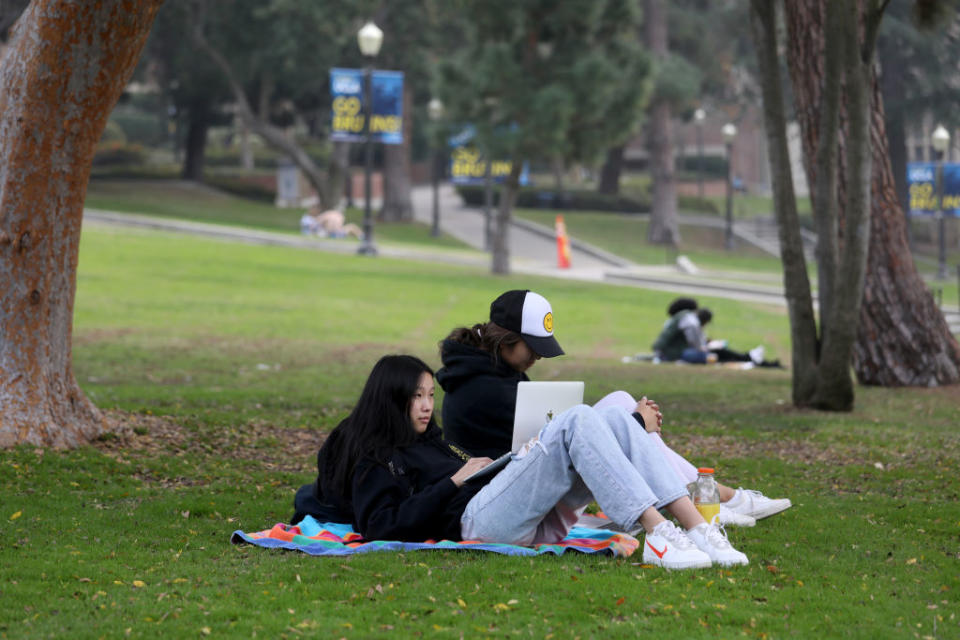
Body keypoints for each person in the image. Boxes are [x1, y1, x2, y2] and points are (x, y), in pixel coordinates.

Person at [311, 354, 749, 569]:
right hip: (475, 523)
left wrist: (500, 466)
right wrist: (455, 483)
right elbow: (380, 526)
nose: (427, 406)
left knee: (615, 416)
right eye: (416, 396)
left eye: (430, 395)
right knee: (577, 420)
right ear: (392, 398)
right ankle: (658, 535)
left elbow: (470, 477)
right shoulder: (377, 460)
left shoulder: (433, 442)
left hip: (516, 516)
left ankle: (697, 529)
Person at [437, 290, 791, 525]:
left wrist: (630, 421)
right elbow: (560, 445)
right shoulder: (485, 388)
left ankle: (708, 494)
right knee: (623, 412)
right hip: (508, 494)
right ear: (505, 339)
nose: (536, 358)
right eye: (532, 348)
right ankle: (712, 496)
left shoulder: (493, 373)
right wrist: (635, 423)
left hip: (525, 478)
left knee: (620, 400)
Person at [653, 300, 781, 367]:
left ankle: (748, 356)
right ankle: (748, 357)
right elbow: (696, 344)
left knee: (716, 351)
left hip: (669, 352)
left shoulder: (684, 316)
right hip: (673, 354)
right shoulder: (691, 322)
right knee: (714, 354)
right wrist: (707, 346)